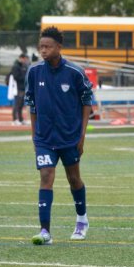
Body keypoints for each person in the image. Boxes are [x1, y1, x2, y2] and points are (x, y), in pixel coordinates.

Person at [24, 26, 93, 244]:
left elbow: (86, 103)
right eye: (40, 47)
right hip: (44, 139)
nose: (43, 51)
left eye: (47, 47)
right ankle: (45, 231)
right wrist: (35, 136)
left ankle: (82, 220)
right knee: (46, 177)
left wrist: (81, 137)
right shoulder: (34, 73)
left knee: (74, 179)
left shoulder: (74, 72)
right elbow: (32, 105)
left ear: (58, 47)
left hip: (69, 138)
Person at [10, 52, 29, 125]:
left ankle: (21, 119)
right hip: (17, 88)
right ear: (21, 58)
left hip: (23, 88)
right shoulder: (16, 66)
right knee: (17, 104)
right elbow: (16, 77)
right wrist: (25, 78)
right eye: (24, 59)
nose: (25, 60)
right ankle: (15, 119)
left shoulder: (24, 66)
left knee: (21, 104)